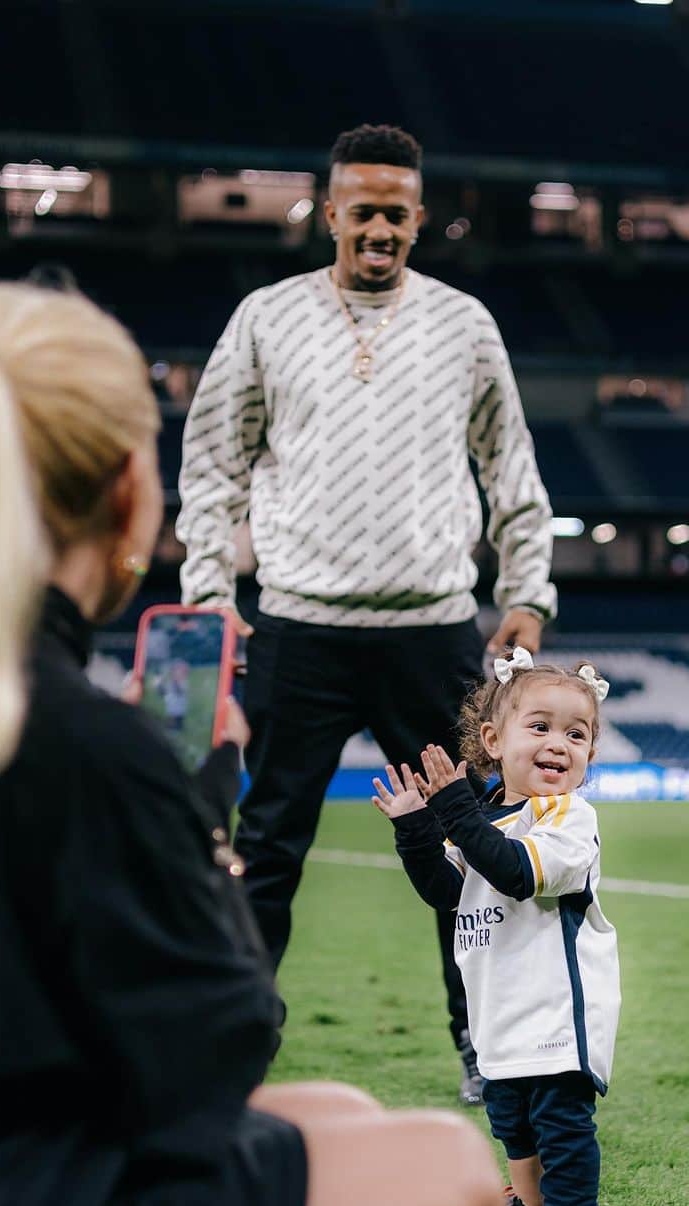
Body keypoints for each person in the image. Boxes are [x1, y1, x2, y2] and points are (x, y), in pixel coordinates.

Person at [0, 282, 508, 1206]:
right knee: (449, 1177)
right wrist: (201, 809)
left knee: (345, 1117)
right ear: (129, 497)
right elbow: (212, 1063)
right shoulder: (87, 747)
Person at [176, 122, 557, 1104]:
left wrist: (526, 590)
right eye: (362, 207)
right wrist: (210, 596)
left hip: (433, 630)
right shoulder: (266, 317)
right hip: (297, 627)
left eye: (397, 209)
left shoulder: (465, 324)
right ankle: (231, 1047)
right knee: (266, 853)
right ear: (331, 210)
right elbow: (213, 462)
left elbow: (509, 464)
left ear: (419, 219)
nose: (379, 225)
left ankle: (485, 1047)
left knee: (465, 845)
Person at [373, 649, 620, 1206]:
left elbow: (512, 873)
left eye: (577, 734)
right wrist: (416, 828)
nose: (559, 744)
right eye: (540, 727)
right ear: (492, 739)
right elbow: (449, 890)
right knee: (512, 1120)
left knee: (558, 1123)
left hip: (557, 1005)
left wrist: (454, 807)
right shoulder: (486, 817)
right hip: (500, 1004)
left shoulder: (567, 816)